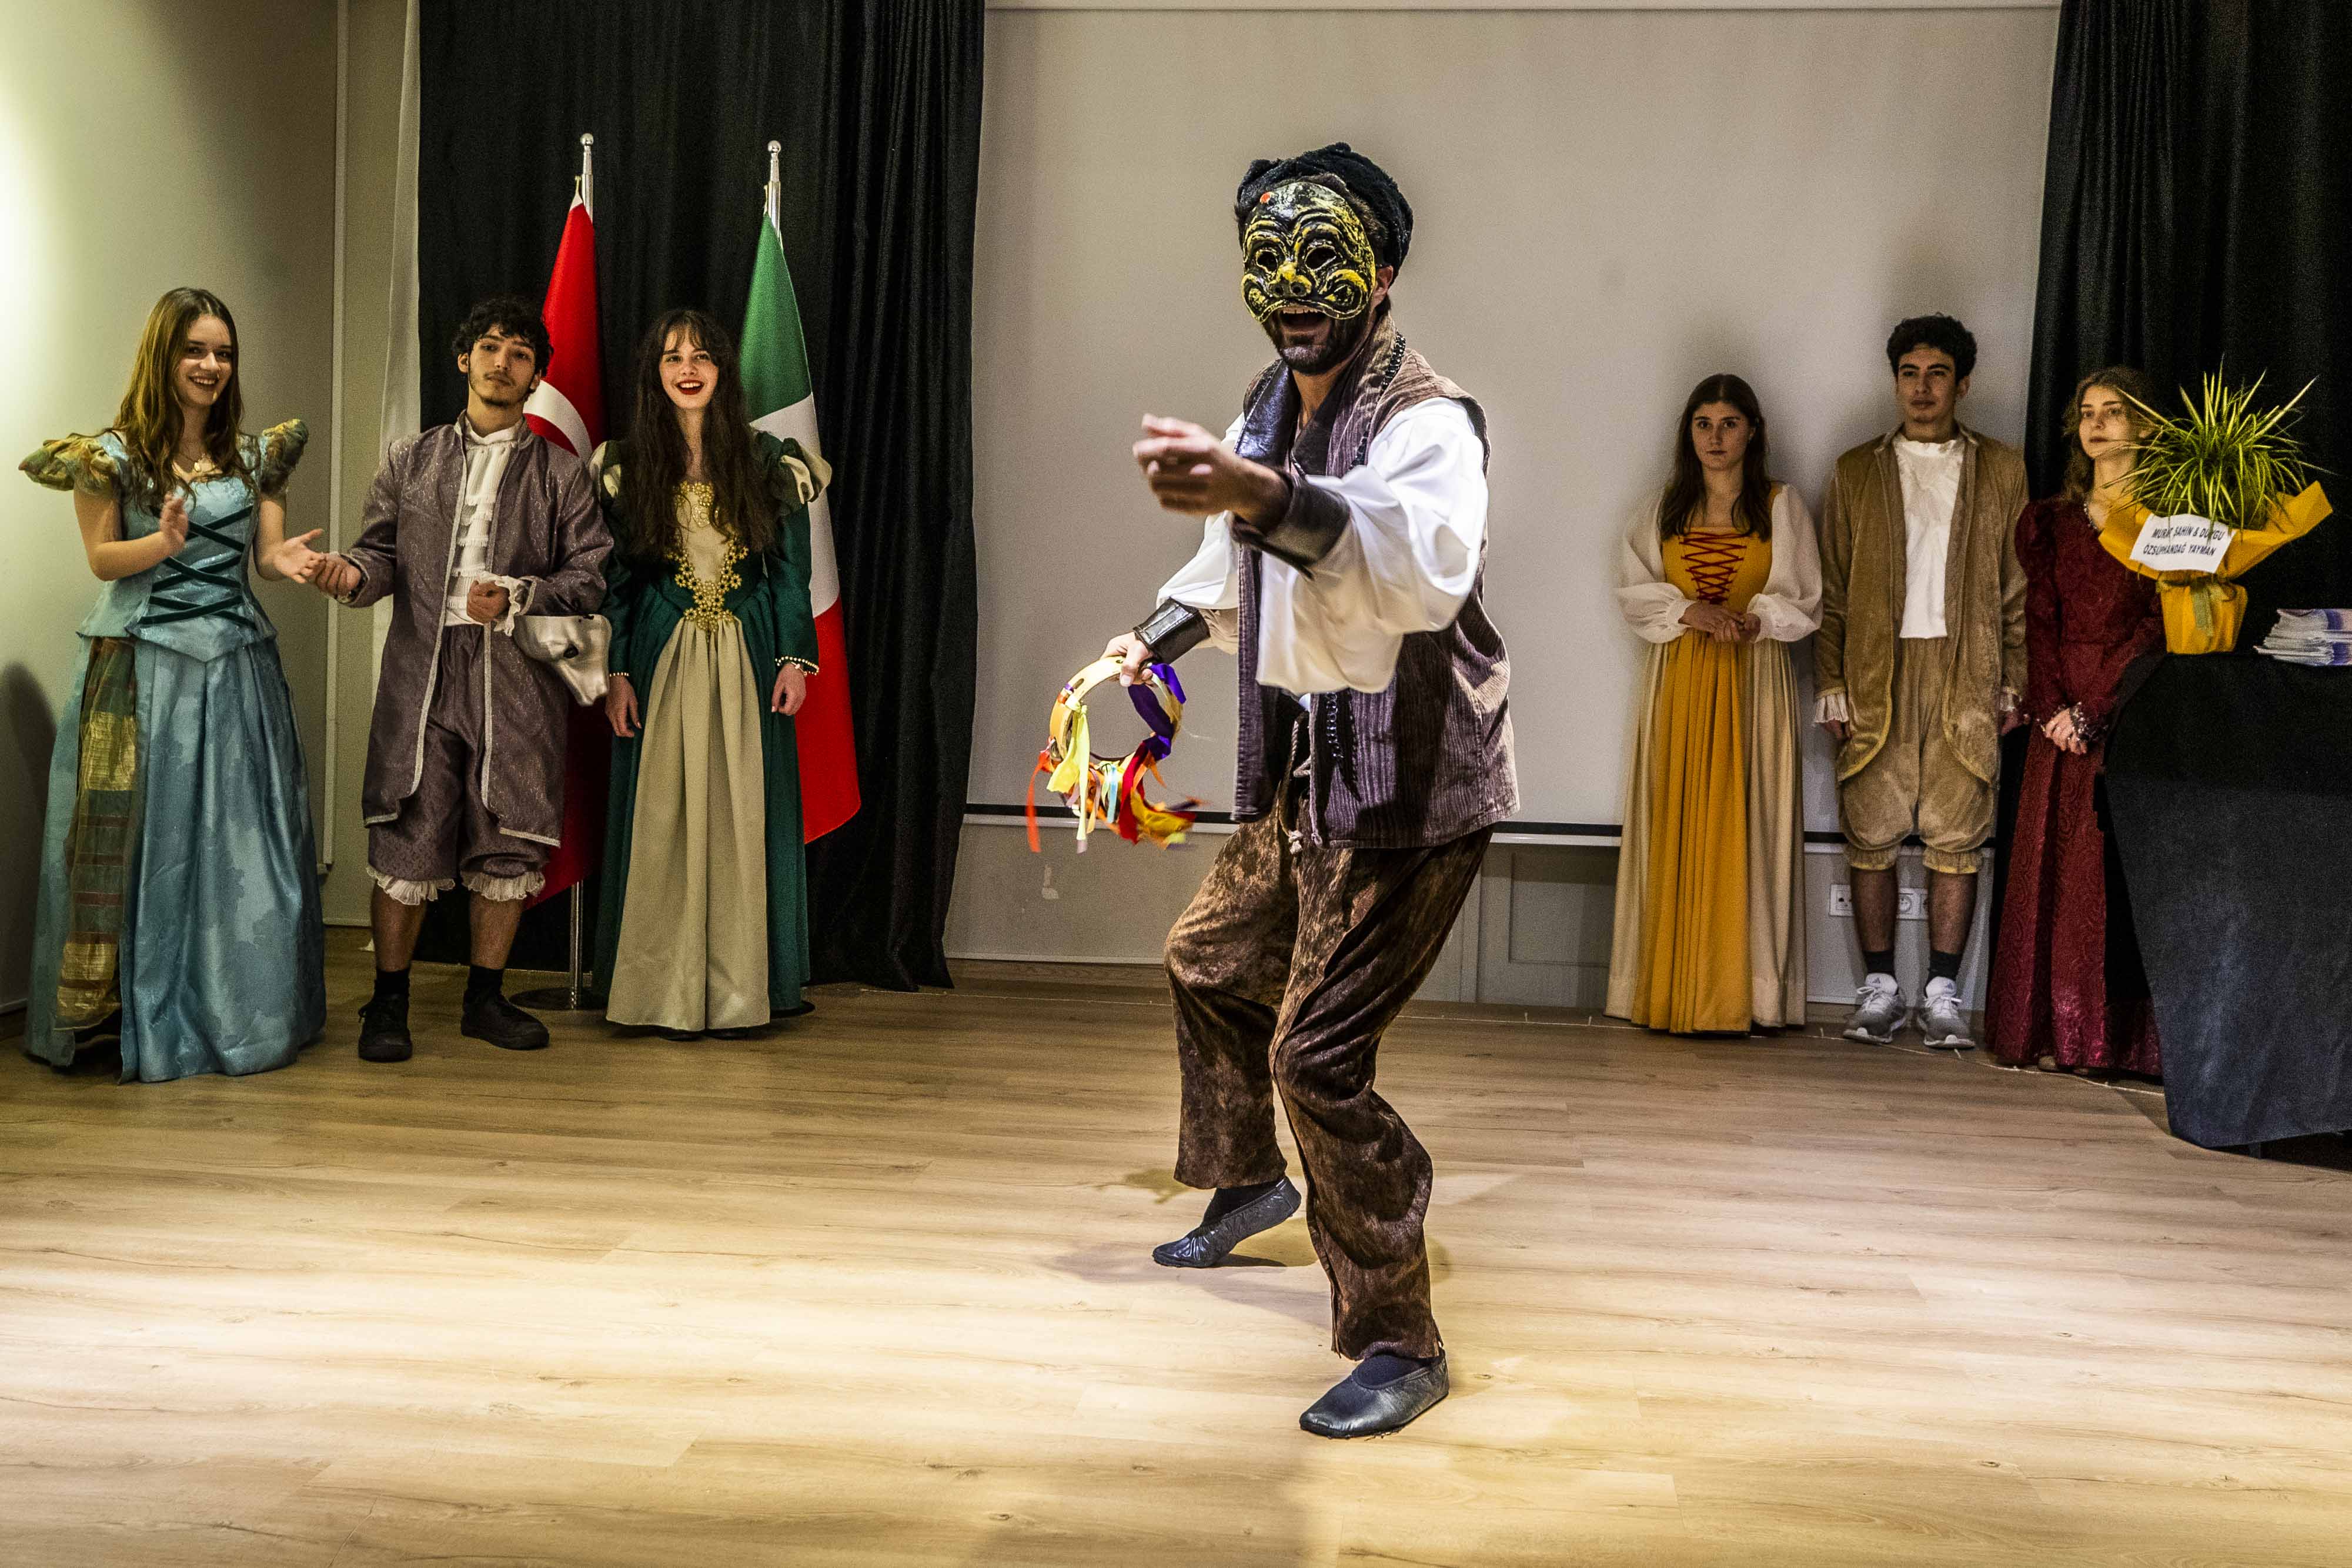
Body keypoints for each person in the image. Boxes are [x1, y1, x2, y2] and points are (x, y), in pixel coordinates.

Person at [1103, 143, 1514, 1439]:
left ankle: (1399, 1336)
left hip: (1408, 793)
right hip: (1303, 774)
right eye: (1268, 257)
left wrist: (1267, 493)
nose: (1293, 284)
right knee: (1207, 960)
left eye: (1324, 256)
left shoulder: (1430, 421)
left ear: (1381, 274)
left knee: (1316, 1058)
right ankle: (1249, 1183)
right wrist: (1148, 642)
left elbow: (1411, 563)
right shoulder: (1266, 404)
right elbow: (1231, 566)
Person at [18, 286, 328, 1081]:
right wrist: (160, 542)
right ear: (163, 354)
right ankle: (125, 1013)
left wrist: (285, 559)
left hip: (236, 667)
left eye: (223, 352)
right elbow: (101, 560)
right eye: (195, 349)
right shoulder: (109, 456)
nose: (211, 365)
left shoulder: (255, 456)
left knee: (240, 844)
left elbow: (264, 556)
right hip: (140, 663)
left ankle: (239, 1007)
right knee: (140, 842)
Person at [308, 297, 611, 1064]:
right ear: (463, 358)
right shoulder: (409, 460)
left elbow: (590, 574)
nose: (502, 362)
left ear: (536, 376)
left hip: (517, 680)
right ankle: (389, 1002)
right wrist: (349, 574)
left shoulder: (562, 474)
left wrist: (517, 596)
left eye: (519, 353)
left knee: (509, 839)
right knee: (406, 832)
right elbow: (378, 555)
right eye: (490, 347)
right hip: (422, 675)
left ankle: (485, 998)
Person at [592, 309, 826, 1035]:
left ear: (722, 370)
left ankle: (738, 989)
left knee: (741, 812)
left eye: (700, 356)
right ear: (655, 373)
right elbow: (617, 580)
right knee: (662, 815)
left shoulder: (767, 461)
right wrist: (618, 671)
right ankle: (657, 988)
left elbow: (789, 573)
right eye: (672, 357)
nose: (687, 369)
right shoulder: (627, 463)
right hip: (661, 654)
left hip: (747, 652)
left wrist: (794, 659)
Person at [1815, 315, 2027, 1048]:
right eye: (1909, 373)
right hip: (1878, 668)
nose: (1922, 388)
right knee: (1870, 832)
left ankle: (1941, 993)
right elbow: (1833, 590)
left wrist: (2013, 680)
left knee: (1957, 836)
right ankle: (1879, 988)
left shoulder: (2002, 469)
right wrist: (1831, 680)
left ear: (1962, 385)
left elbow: (2016, 587)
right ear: (1895, 382)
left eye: (1937, 374)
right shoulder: (1855, 470)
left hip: (1967, 670)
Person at [1607, 374, 1820, 1035]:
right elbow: (1633, 590)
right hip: (1680, 682)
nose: (1716, 437)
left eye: (1729, 423)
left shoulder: (1780, 504)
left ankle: (1749, 994)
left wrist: (1756, 621)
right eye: (1703, 423)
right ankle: (1671, 986)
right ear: (1688, 433)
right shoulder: (1663, 507)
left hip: (1753, 681)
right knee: (1674, 816)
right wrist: (1690, 611)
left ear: (1752, 431)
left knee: (1749, 821)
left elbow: (1805, 596)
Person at [1986, 369, 2166, 1075]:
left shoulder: (2165, 522)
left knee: (2106, 877)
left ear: (2143, 426)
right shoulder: (2051, 522)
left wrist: (2096, 710)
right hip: (2057, 718)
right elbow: (2039, 620)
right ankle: (2051, 1031)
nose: (2096, 424)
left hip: (2127, 708)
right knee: (2053, 871)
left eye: (2113, 412)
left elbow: (2156, 624)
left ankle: (2109, 1041)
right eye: (2087, 412)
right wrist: (2053, 709)